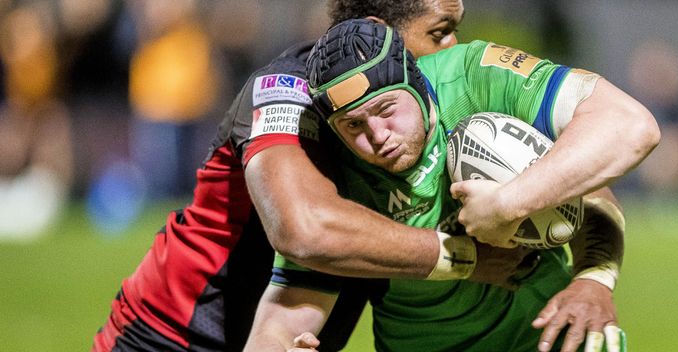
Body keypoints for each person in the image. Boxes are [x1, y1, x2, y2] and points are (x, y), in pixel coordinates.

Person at [93, 0, 628, 352]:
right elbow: (305, 230)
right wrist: (465, 257)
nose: (453, 48)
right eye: (440, 32)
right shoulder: (287, 89)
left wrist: (593, 275)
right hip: (180, 327)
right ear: (379, 30)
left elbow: (582, 179)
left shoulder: (446, 96)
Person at [246, 19, 657, 351]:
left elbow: (627, 131)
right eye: (353, 125)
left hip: (551, 332)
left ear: (417, 82)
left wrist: (593, 276)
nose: (377, 136)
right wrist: (278, 345)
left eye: (386, 109)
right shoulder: (338, 172)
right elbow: (285, 313)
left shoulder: (472, 79)